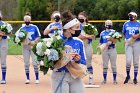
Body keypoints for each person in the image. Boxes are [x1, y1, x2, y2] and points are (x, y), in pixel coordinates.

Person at [51, 11, 86, 93]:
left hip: (75, 75)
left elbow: (84, 62)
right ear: (69, 29)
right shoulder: (56, 41)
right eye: (76, 27)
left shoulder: (79, 42)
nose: (79, 30)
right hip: (60, 75)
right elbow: (50, 64)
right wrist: (64, 58)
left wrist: (78, 60)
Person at [18, 13, 41, 84]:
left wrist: (34, 41)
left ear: (30, 19)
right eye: (26, 19)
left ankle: (37, 78)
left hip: (33, 46)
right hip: (25, 47)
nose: (27, 20)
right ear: (24, 20)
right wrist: (22, 40)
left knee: (35, 63)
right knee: (26, 63)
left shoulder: (34, 27)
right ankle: (27, 78)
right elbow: (18, 38)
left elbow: (39, 36)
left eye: (28, 19)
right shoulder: (22, 29)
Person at [122, 12, 140, 84]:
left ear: (135, 16)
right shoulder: (126, 24)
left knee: (135, 61)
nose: (131, 17)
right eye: (130, 15)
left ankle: (135, 78)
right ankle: (128, 76)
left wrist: (137, 36)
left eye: (132, 16)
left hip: (137, 43)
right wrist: (124, 40)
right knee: (128, 61)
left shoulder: (138, 24)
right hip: (128, 43)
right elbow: (123, 33)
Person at [78, 11, 95, 84]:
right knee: (79, 62)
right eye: (79, 18)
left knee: (88, 62)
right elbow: (78, 36)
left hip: (88, 45)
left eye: (82, 18)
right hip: (79, 45)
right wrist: (87, 36)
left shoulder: (90, 26)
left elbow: (93, 36)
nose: (80, 19)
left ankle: (90, 77)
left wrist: (86, 36)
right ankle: (79, 79)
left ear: (85, 18)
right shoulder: (77, 26)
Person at [99, 20, 117, 84]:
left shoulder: (114, 32)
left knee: (113, 65)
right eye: (107, 23)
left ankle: (114, 80)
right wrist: (99, 47)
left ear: (111, 24)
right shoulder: (102, 33)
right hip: (105, 50)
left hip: (112, 49)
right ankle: (104, 80)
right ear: (105, 24)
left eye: (110, 23)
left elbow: (116, 41)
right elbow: (100, 42)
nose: (108, 24)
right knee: (105, 65)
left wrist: (112, 41)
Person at [0, 11, 12, 84]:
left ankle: (3, 78)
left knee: (3, 61)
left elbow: (10, 32)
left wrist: (5, 33)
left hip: (3, 42)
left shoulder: (5, 24)